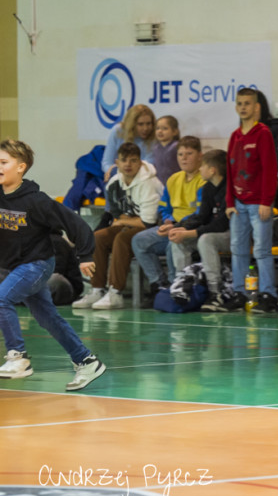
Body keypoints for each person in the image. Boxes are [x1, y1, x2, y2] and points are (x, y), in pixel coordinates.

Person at [0, 139, 106, 391]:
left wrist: (86, 256)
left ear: (21, 168)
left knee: (1, 299)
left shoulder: (37, 201)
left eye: (4, 162)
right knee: (47, 317)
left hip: (37, 265)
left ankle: (17, 356)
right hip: (18, 266)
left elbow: (76, 225)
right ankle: (86, 360)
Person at [72, 142, 163, 310]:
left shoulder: (149, 183)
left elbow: (148, 222)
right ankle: (97, 290)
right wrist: (125, 221)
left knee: (121, 238)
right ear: (117, 162)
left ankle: (115, 293)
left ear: (140, 163)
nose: (128, 164)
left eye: (133, 160)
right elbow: (116, 214)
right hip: (131, 223)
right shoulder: (114, 182)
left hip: (154, 229)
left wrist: (124, 221)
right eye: (124, 160)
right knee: (98, 237)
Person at [222, 88, 278, 313]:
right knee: (238, 249)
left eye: (248, 103)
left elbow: (269, 169)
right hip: (238, 204)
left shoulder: (263, 133)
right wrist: (229, 202)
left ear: (257, 107)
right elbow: (230, 170)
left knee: (262, 250)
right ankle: (239, 292)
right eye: (240, 103)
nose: (243, 107)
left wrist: (266, 201)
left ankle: (267, 294)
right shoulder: (235, 136)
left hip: (259, 204)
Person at [131, 135, 204, 305]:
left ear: (200, 155)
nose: (184, 158)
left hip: (192, 230)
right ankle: (159, 285)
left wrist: (177, 227)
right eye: (180, 154)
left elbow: (202, 214)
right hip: (173, 226)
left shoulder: (204, 180)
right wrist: (168, 222)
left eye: (189, 154)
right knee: (139, 241)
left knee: (174, 242)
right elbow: (164, 208)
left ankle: (175, 285)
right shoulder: (173, 179)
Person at [168, 150, 232, 312]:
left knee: (206, 239)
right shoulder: (208, 188)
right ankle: (182, 285)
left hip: (231, 235)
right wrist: (178, 228)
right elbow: (202, 216)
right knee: (178, 239)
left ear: (212, 170)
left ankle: (215, 291)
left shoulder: (229, 189)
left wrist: (190, 233)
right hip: (212, 232)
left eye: (203, 165)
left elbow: (221, 224)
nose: (200, 169)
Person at [101, 104, 156, 182]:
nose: (145, 128)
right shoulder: (118, 131)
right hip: (119, 175)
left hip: (142, 177)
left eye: (148, 124)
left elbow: (148, 165)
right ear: (132, 124)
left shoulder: (154, 136)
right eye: (140, 124)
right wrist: (111, 171)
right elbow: (107, 162)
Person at [151, 115, 181, 184]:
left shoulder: (177, 146)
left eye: (165, 128)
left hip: (176, 183)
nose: (160, 131)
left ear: (175, 132)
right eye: (157, 128)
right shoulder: (156, 148)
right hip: (160, 185)